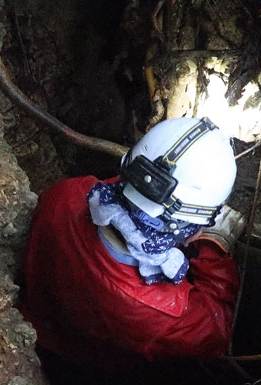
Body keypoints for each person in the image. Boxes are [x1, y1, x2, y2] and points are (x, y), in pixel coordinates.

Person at [21, 117, 245, 370]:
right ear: (191, 227)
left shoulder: (68, 194)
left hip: (35, 322)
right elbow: (216, 334)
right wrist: (214, 247)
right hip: (88, 364)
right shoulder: (160, 313)